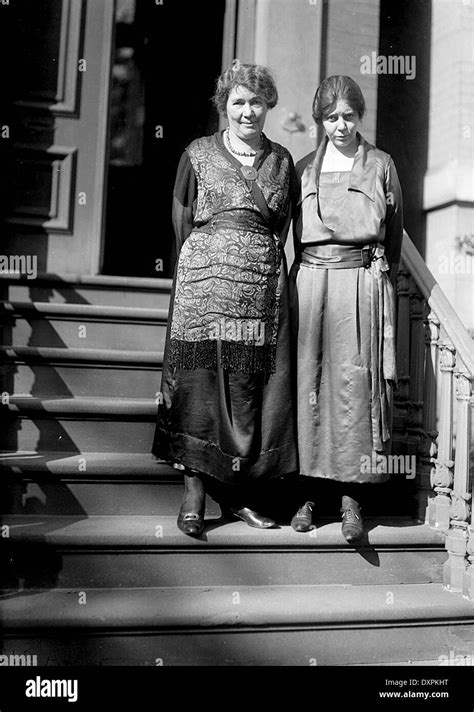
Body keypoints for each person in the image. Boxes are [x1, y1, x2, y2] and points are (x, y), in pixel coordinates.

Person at [152, 60, 297, 537]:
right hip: (203, 287)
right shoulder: (197, 153)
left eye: (257, 101)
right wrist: (202, 267)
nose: (248, 111)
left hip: (256, 291)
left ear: (268, 105)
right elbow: (181, 223)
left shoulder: (282, 161)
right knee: (197, 387)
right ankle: (193, 491)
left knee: (244, 390)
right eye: (239, 102)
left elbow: (279, 227)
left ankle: (237, 496)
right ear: (224, 106)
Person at [289, 75, 403, 541]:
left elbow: (393, 236)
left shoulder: (381, 165)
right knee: (307, 382)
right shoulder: (301, 168)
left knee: (354, 386)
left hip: (359, 285)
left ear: (361, 117)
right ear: (320, 120)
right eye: (331, 118)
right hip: (310, 284)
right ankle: (307, 494)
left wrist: (376, 274)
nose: (341, 126)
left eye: (349, 117)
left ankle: (352, 501)